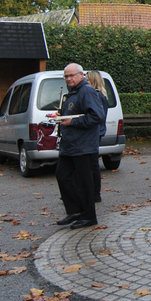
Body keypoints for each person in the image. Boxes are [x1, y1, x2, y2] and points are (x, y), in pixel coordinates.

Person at [54, 63, 104, 229]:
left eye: (71, 76)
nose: (68, 79)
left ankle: (89, 216)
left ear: (81, 75)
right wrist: (61, 116)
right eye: (66, 76)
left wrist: (72, 121)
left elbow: (97, 116)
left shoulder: (87, 91)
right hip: (70, 145)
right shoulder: (72, 93)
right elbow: (76, 112)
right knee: (63, 176)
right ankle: (75, 211)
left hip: (83, 146)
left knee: (84, 182)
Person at [86, 71, 109, 202]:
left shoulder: (97, 96)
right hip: (98, 131)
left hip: (95, 132)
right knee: (92, 163)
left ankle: (95, 193)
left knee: (93, 163)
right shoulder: (100, 95)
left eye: (87, 80)